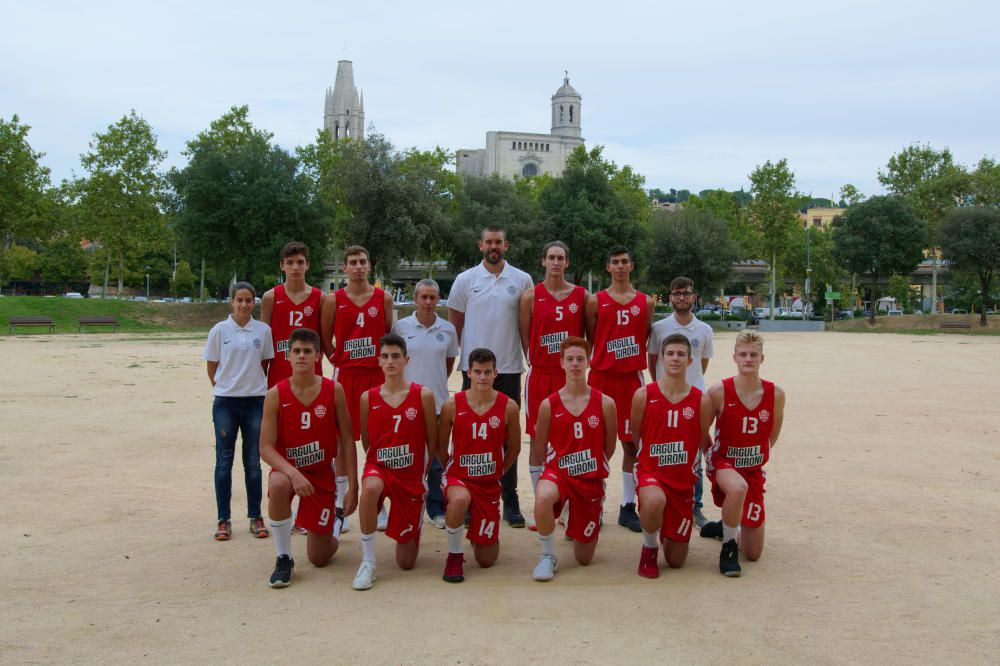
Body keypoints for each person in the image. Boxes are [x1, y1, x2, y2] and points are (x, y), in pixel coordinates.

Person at [258, 328, 358, 588]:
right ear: (288, 356)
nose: (301, 356)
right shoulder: (275, 394)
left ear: (317, 356)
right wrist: (293, 473)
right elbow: (266, 448)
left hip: (320, 473)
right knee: (278, 484)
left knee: (319, 558)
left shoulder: (333, 390)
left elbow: (347, 440)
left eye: (307, 351)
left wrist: (352, 488)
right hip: (289, 470)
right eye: (296, 351)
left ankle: (333, 523)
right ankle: (283, 557)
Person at [448, 226, 533, 527]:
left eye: (498, 242)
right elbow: (455, 323)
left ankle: (509, 497)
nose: (493, 246)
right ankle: (469, 496)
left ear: (506, 245)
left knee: (507, 438)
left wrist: (529, 360)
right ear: (480, 244)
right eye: (489, 242)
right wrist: (464, 361)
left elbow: (526, 325)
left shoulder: (522, 280)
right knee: (470, 437)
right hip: (473, 372)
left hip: (509, 368)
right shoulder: (465, 280)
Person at [351, 334, 438, 591]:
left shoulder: (423, 394)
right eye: (385, 357)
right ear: (379, 361)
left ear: (406, 360)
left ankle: (410, 524)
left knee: (406, 562)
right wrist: (379, 464)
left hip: (410, 477)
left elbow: (431, 441)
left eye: (395, 356)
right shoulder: (368, 397)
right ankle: (368, 560)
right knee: (369, 488)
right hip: (380, 468)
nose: (390, 361)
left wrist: (420, 473)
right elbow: (368, 442)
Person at [530, 337, 616, 582]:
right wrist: (556, 470)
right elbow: (540, 444)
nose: (575, 364)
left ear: (589, 362)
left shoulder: (606, 403)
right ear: (561, 363)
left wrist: (590, 466)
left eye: (580, 359)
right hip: (560, 473)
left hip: (589, 478)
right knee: (543, 495)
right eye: (570, 359)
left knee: (583, 558)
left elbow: (609, 446)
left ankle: (587, 509)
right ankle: (547, 556)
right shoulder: (549, 404)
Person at [320, 245, 394, 532]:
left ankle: (378, 503)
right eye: (353, 262)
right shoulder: (332, 300)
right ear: (345, 268)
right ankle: (342, 503)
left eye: (363, 261)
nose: (359, 266)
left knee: (379, 439)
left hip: (376, 376)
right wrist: (337, 359)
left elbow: (388, 335)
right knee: (343, 441)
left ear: (370, 265)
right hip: (347, 376)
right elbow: (326, 338)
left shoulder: (383, 298)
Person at [700, 330, 786, 577]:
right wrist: (710, 456)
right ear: (734, 358)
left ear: (762, 358)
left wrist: (755, 455)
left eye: (753, 355)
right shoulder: (719, 391)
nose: (748, 359)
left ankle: (725, 525)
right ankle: (728, 545)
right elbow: (701, 429)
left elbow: (772, 435)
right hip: (724, 462)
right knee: (737, 488)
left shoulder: (775, 394)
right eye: (743, 354)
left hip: (752, 469)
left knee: (754, 553)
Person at [630, 334, 714, 578]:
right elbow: (637, 436)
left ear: (690, 361)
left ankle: (667, 525)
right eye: (670, 354)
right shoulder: (644, 395)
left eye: (680, 354)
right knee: (654, 500)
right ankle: (649, 548)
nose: (675, 359)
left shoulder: (702, 400)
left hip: (682, 482)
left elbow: (700, 438)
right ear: (661, 360)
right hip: (652, 473)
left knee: (677, 562)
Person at [437, 348, 521, 582]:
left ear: (496, 373)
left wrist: (499, 472)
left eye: (487, 372)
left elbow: (514, 448)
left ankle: (482, 529)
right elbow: (440, 446)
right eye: (477, 372)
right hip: (459, 478)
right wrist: (452, 470)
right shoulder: (452, 405)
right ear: (468, 373)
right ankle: (454, 555)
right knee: (460, 499)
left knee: (486, 560)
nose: (482, 377)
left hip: (488, 484)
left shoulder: (508, 406)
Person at [584, 246, 654, 533]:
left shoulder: (645, 302)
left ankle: (627, 506)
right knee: (593, 444)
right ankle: (592, 503)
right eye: (615, 262)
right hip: (601, 378)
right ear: (608, 267)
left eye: (625, 262)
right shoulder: (594, 301)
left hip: (630, 381)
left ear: (632, 266)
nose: (621, 266)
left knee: (632, 445)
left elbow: (645, 334)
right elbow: (591, 337)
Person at [519, 241, 587, 528]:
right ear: (543, 261)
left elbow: (588, 337)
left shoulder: (582, 296)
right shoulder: (530, 296)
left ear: (567, 263)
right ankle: (541, 503)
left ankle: (570, 503)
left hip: (569, 376)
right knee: (538, 436)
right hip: (541, 374)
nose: (556, 262)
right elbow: (525, 336)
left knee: (572, 438)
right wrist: (538, 359)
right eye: (551, 257)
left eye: (561, 257)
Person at [203, 282, 274, 541]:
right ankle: (224, 519)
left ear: (254, 302)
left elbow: (266, 363)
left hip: (255, 401)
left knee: (253, 463)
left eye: (248, 300)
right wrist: (224, 387)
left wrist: (250, 386)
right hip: (226, 403)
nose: (244, 305)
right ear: (231, 302)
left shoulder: (263, 331)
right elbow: (212, 366)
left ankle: (255, 516)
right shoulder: (220, 331)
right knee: (224, 462)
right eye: (239, 300)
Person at [647, 276, 715, 528]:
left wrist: (689, 387)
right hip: (663, 399)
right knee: (663, 452)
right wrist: (661, 388)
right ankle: (661, 499)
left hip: (693, 399)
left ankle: (694, 506)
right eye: (677, 293)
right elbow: (653, 360)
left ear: (693, 296)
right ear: (670, 297)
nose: (682, 298)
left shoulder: (704, 330)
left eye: (686, 293)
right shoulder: (660, 328)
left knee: (693, 454)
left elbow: (702, 364)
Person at [392, 278, 459, 528]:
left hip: (439, 404)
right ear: (416, 299)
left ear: (439, 299)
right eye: (424, 297)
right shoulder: (400, 327)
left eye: (433, 297)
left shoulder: (448, 330)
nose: (429, 302)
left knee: (437, 459)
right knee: (407, 457)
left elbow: (448, 364)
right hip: (407, 404)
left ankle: (435, 506)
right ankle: (406, 503)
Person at [260, 241, 325, 389]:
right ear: (282, 265)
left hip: (311, 372)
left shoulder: (320, 298)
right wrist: (261, 372)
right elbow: (264, 340)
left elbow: (325, 340)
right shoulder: (270, 297)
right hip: (279, 373)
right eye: (290, 262)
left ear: (307, 265)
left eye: (300, 262)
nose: (295, 267)